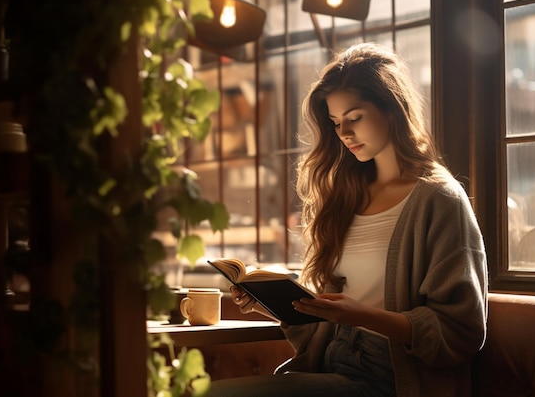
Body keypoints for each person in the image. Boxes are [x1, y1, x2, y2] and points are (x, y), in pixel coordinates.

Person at [208, 42, 488, 397]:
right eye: (336, 122)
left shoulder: (439, 199)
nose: (344, 133)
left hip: (392, 377)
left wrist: (360, 316)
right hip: (332, 361)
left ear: (393, 108)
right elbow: (324, 329)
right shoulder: (347, 196)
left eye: (355, 117)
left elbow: (460, 331)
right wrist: (271, 302)